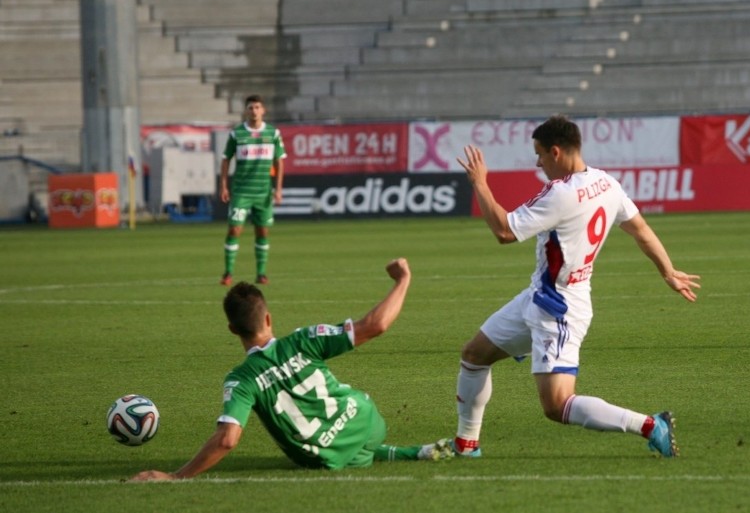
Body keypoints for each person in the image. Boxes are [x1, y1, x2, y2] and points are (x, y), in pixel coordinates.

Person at [451, 115, 700, 459]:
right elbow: (640, 229)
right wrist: (668, 271)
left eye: (539, 154)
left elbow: (505, 232)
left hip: (559, 310)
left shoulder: (561, 194)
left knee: (556, 405)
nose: (537, 163)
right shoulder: (606, 183)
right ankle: (466, 445)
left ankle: (650, 424)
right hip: (538, 298)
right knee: (474, 355)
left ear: (556, 151)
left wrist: (480, 183)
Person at [130, 258, 452, 481]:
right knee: (356, 441)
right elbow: (377, 324)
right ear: (268, 318)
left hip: (324, 457)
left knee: (333, 452)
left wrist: (176, 476)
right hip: (367, 423)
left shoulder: (241, 380)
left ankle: (400, 452)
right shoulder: (306, 339)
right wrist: (403, 279)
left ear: (232, 329)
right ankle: (418, 452)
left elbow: (227, 440)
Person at [219, 94, 286, 286]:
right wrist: (224, 185)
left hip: (263, 192)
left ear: (263, 110)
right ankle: (228, 273)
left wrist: (278, 189)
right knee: (234, 229)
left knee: (262, 232)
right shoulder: (237, 134)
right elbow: (225, 159)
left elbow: (279, 162)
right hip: (241, 191)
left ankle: (261, 273)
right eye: (250, 107)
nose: (254, 111)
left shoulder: (273, 134)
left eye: (257, 107)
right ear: (246, 111)